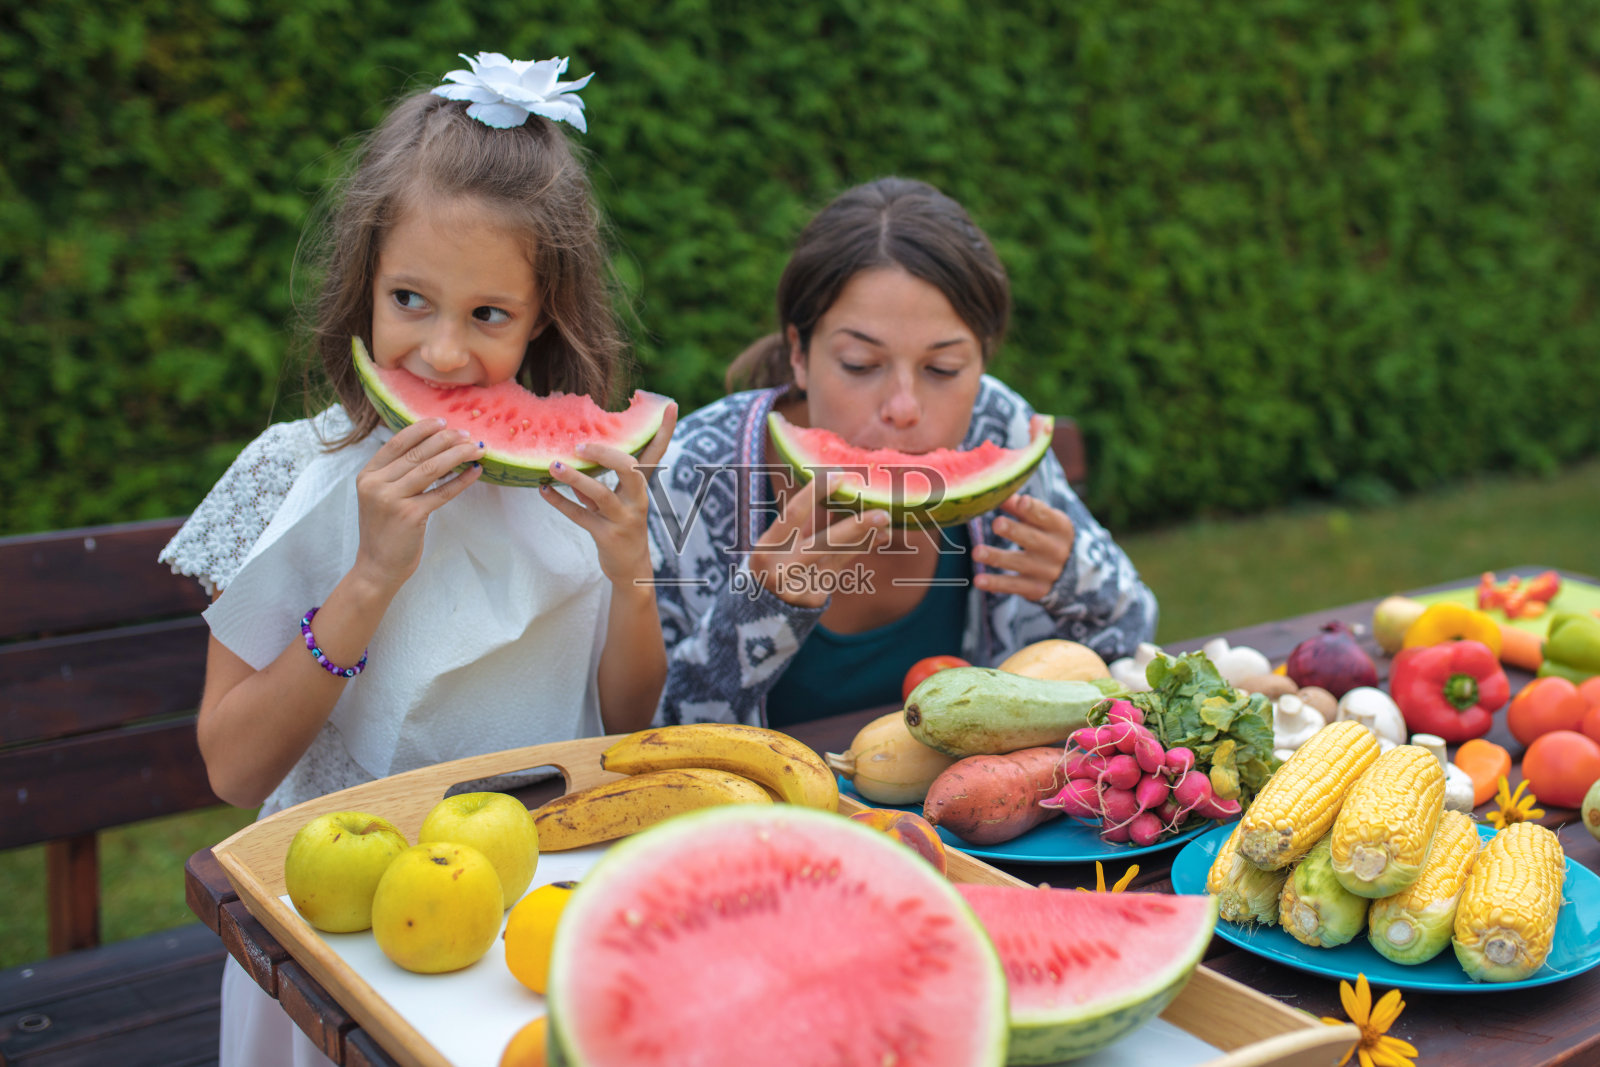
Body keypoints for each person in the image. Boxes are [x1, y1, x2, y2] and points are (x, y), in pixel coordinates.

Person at [157, 52, 673, 1066]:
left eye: (487, 316)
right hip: (331, 930)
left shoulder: (582, 481)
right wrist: (370, 577)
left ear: (542, 318)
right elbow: (232, 765)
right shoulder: (284, 470)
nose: (440, 356)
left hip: (530, 917)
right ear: (362, 282)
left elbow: (627, 721)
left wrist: (628, 572)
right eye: (409, 300)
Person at [647, 177, 1156, 728]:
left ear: (982, 362)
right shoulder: (693, 473)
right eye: (860, 364)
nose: (904, 407)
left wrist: (1077, 580)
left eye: (943, 369)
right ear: (799, 352)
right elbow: (647, 733)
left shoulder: (1001, 426)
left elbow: (1135, 640)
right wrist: (760, 609)